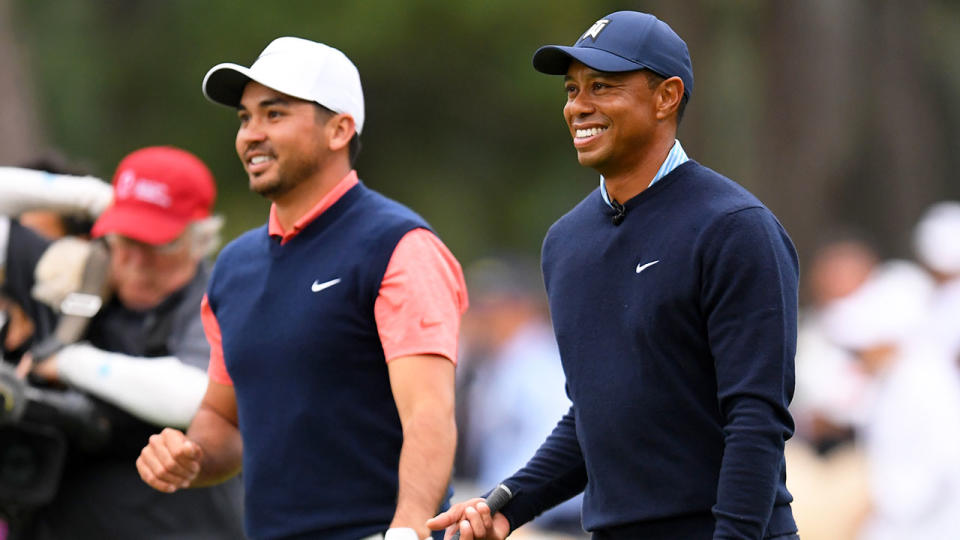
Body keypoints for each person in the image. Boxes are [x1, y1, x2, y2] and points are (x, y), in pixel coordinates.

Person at [428, 11, 799, 540]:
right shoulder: (566, 242)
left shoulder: (734, 229)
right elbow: (594, 417)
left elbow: (756, 420)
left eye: (602, 86)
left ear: (666, 96)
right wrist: (508, 503)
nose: (579, 106)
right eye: (573, 89)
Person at [136, 37, 468, 540]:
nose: (251, 135)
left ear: (339, 130)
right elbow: (223, 420)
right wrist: (191, 455)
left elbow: (430, 415)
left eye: (274, 115)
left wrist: (407, 529)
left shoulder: (399, 245)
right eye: (245, 118)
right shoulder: (234, 266)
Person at [0, 147, 245, 539]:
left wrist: (68, 362)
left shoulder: (221, 297)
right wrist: (91, 195)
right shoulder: (72, 276)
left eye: (157, 243)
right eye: (125, 237)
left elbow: (192, 394)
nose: (134, 259)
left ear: (198, 241)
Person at [456, 256, 585, 538]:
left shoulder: (538, 361)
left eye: (493, 308)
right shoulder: (501, 360)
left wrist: (514, 505)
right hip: (517, 509)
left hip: (547, 518)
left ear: (519, 308)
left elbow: (557, 438)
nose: (484, 318)